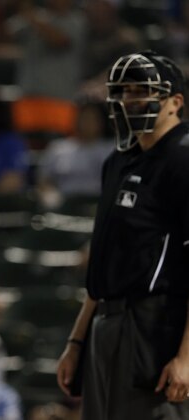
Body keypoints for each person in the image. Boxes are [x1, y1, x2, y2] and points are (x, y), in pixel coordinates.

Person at [55, 51, 189, 419]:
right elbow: (102, 262)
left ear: (175, 102)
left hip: (157, 324)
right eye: (124, 91)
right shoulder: (118, 160)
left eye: (142, 90)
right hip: (106, 324)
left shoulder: (183, 157)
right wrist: (77, 340)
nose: (131, 100)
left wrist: (186, 358)